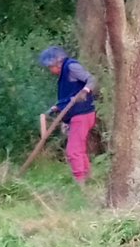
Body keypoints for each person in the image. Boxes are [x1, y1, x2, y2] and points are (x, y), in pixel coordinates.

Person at [39, 46, 98, 184]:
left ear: (57, 63)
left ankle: (80, 183)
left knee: (73, 150)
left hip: (82, 114)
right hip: (78, 114)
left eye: (50, 67)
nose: (50, 71)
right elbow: (69, 95)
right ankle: (88, 179)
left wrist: (85, 91)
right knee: (79, 149)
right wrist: (57, 107)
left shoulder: (71, 67)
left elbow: (91, 80)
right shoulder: (64, 73)